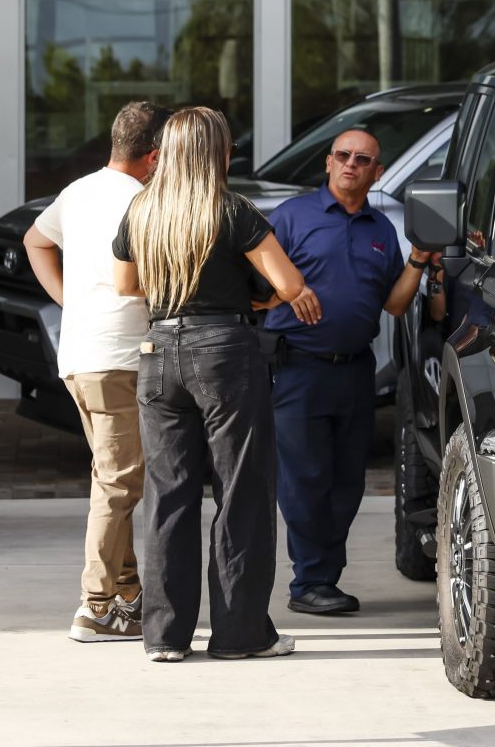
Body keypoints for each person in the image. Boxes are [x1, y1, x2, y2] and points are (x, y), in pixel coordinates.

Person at [112, 106, 323, 663]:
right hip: (225, 352)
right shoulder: (231, 210)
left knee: (168, 494)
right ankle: (240, 633)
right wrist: (263, 298)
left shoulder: (143, 209)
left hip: (159, 352)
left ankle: (163, 636)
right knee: (241, 493)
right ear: (217, 152)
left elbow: (124, 283)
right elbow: (288, 281)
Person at [263, 127, 446, 614]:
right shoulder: (289, 218)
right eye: (342, 156)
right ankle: (310, 582)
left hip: (355, 371)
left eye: (362, 159)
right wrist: (286, 292)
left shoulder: (381, 231)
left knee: (348, 482)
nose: (351, 164)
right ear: (327, 163)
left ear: (377, 172)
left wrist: (419, 261)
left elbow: (394, 304)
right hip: (297, 367)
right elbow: (255, 290)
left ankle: (324, 576)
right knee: (305, 479)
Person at [24, 101, 171, 642]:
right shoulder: (144, 200)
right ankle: (95, 605)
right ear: (154, 156)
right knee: (118, 482)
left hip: (80, 355)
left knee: (114, 477)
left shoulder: (78, 190)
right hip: (121, 357)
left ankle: (128, 597)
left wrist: (70, 302)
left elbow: (34, 242)